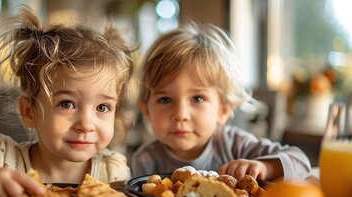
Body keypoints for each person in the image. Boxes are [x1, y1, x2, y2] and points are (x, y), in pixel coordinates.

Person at [0, 6, 136, 197]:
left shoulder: (114, 171)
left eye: (102, 107)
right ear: (28, 111)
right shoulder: (2, 161)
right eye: (67, 104)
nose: (86, 124)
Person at [131, 22, 311, 181]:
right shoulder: (146, 160)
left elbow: (301, 162)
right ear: (146, 111)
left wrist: (265, 167)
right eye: (165, 99)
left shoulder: (235, 145)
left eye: (197, 98)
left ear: (223, 111)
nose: (180, 114)